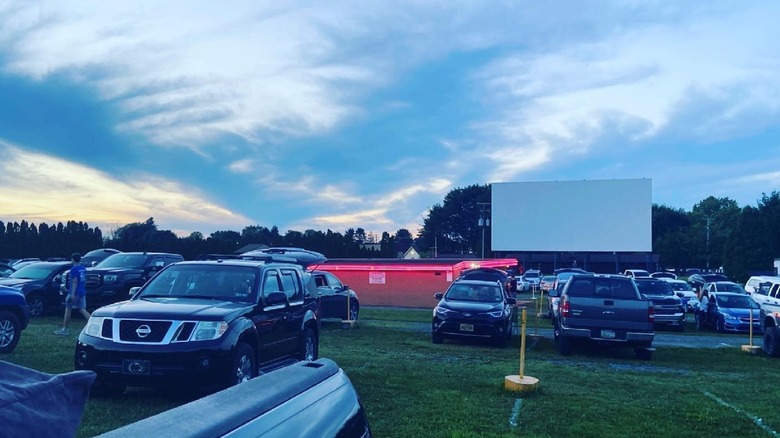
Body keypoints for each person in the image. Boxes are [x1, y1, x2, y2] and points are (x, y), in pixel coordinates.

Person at [54, 253, 91, 336]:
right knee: (82, 309)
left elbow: (74, 281)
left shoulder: (73, 269)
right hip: (82, 291)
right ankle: (92, 324)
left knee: (68, 309)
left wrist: (72, 294)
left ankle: (65, 329)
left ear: (73, 259)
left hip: (75, 292)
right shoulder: (83, 268)